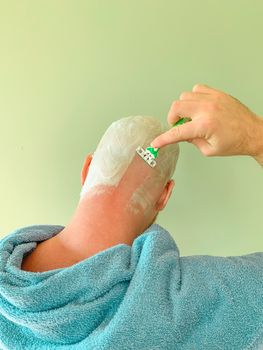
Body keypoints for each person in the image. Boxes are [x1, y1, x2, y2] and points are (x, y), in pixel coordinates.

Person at [0, 85, 262, 350]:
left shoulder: (7, 298)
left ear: (87, 168)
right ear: (164, 196)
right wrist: (254, 136)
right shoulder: (204, 297)